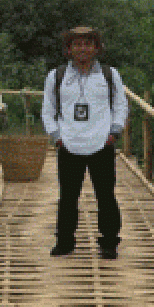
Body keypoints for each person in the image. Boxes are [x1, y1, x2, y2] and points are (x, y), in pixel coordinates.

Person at [41, 26, 129, 259]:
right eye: (77, 44)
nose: (82, 48)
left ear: (97, 48)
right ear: (68, 49)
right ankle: (65, 242)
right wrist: (57, 136)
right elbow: (48, 109)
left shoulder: (110, 75)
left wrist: (114, 132)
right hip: (69, 144)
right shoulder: (56, 76)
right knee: (68, 197)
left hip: (102, 143)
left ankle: (109, 242)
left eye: (88, 43)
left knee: (106, 196)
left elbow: (121, 105)